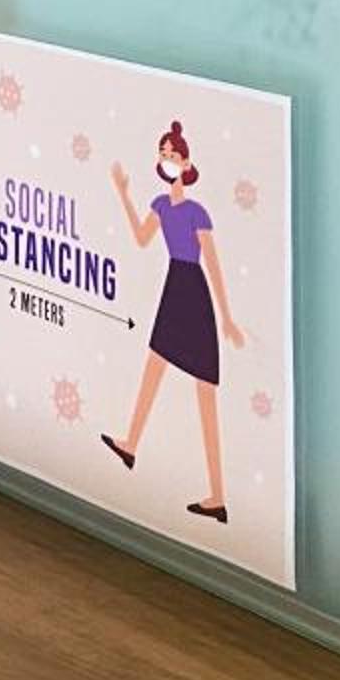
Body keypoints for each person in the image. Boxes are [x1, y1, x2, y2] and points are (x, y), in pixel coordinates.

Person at [101, 121, 246, 522]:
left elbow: (213, 264)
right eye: (163, 154)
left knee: (205, 391)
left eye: (173, 155)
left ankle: (218, 495)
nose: (166, 160)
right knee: (154, 364)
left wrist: (227, 317)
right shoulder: (160, 205)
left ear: (186, 163)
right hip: (173, 285)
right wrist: (123, 193)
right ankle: (130, 444)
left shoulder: (197, 212)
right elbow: (141, 237)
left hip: (193, 291)